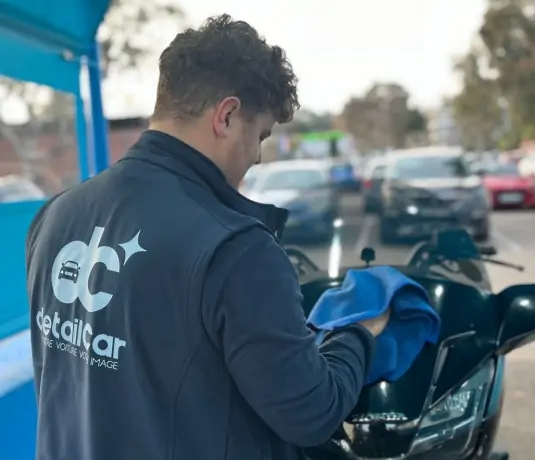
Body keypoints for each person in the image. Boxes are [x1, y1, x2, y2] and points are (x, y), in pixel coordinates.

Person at [26, 14, 390, 460]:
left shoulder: (55, 215)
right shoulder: (235, 249)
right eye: (260, 136)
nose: (257, 155)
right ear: (228, 115)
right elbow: (312, 413)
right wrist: (357, 334)